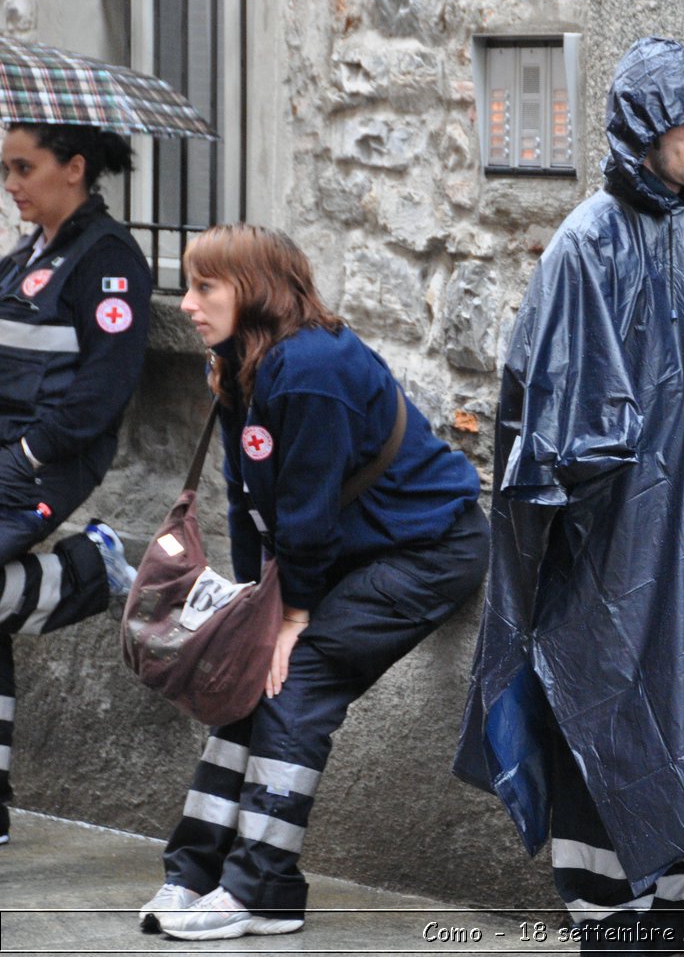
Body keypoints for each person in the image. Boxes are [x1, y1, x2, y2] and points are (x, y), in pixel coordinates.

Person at [455, 37, 684, 955]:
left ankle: (661, 934)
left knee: (677, 745)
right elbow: (551, 441)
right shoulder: (585, 246)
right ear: (646, 124)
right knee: (602, 746)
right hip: (602, 566)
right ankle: (614, 937)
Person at [143, 225, 488, 941]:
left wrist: (292, 616)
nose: (186, 304)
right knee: (244, 680)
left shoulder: (308, 369)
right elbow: (248, 503)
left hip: (428, 550)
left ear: (256, 291)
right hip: (342, 555)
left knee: (294, 685)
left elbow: (302, 511)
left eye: (205, 287)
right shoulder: (243, 362)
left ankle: (260, 889)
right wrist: (253, 605)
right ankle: (193, 874)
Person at [0, 122, 147, 849]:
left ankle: (90, 567)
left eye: (24, 167)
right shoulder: (22, 257)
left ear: (74, 167)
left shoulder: (109, 258)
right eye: (6, 168)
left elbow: (104, 387)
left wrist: (29, 451)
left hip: (41, 461)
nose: (11, 184)